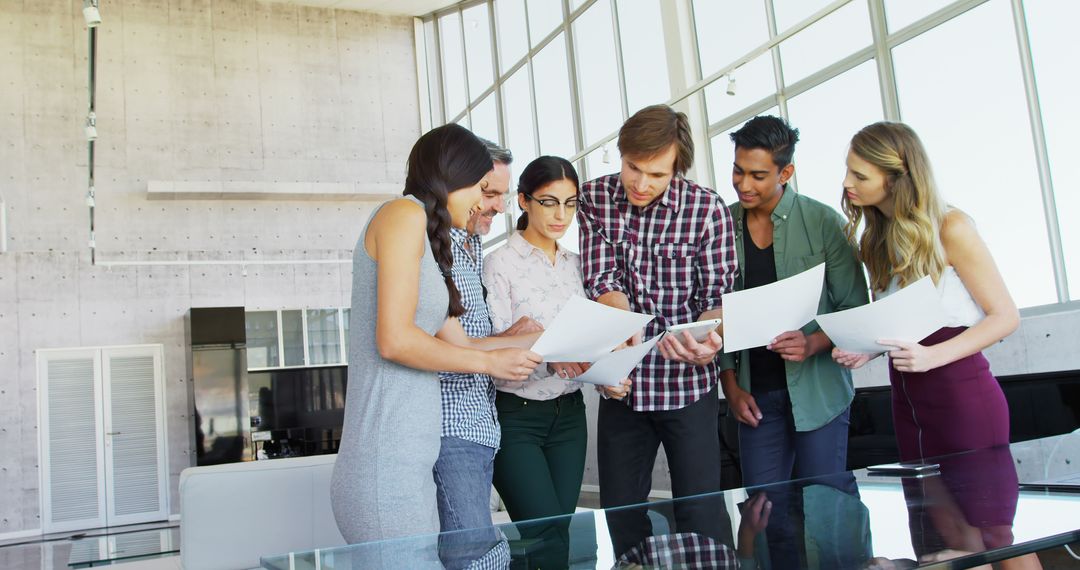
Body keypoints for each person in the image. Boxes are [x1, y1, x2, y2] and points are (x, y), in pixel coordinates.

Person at [330, 124, 543, 546]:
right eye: (481, 188)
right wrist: (490, 363)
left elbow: (461, 345)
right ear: (454, 177)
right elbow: (394, 340)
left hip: (414, 452)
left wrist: (558, 339)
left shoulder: (430, 240)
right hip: (384, 455)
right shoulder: (402, 213)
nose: (484, 203)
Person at [577, 104, 737, 555]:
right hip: (624, 386)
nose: (641, 184)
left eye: (657, 174)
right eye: (633, 168)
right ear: (621, 154)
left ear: (676, 170)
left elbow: (718, 299)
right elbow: (603, 282)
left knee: (701, 511)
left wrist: (711, 341)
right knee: (622, 512)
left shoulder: (707, 209)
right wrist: (621, 330)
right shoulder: (594, 199)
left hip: (689, 386)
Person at [832, 121, 1020, 463]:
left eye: (860, 176)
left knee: (977, 516)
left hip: (961, 396)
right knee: (922, 516)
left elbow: (1006, 317)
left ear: (895, 178)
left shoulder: (952, 227)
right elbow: (902, 323)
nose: (847, 183)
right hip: (906, 403)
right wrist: (867, 351)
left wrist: (933, 357)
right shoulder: (877, 239)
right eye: (848, 170)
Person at [718, 116, 869, 487]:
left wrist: (812, 342)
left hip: (819, 393)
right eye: (738, 171)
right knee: (765, 513)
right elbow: (716, 313)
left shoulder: (824, 223)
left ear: (786, 172)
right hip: (754, 398)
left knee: (826, 507)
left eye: (758, 175)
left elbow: (855, 309)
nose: (743, 184)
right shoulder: (720, 225)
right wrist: (731, 388)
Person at [433, 138, 540, 569]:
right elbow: (444, 346)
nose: (496, 205)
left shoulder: (471, 244)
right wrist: (524, 342)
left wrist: (513, 336)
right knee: (473, 552)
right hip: (452, 425)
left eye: (500, 195)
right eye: (487, 192)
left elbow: (470, 336)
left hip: (481, 422)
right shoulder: (432, 245)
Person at [483, 156, 592, 568]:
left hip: (570, 416)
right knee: (543, 534)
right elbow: (492, 350)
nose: (561, 215)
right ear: (524, 201)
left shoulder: (576, 266)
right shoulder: (499, 265)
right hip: (517, 417)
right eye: (549, 202)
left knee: (556, 535)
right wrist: (549, 351)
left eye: (570, 203)